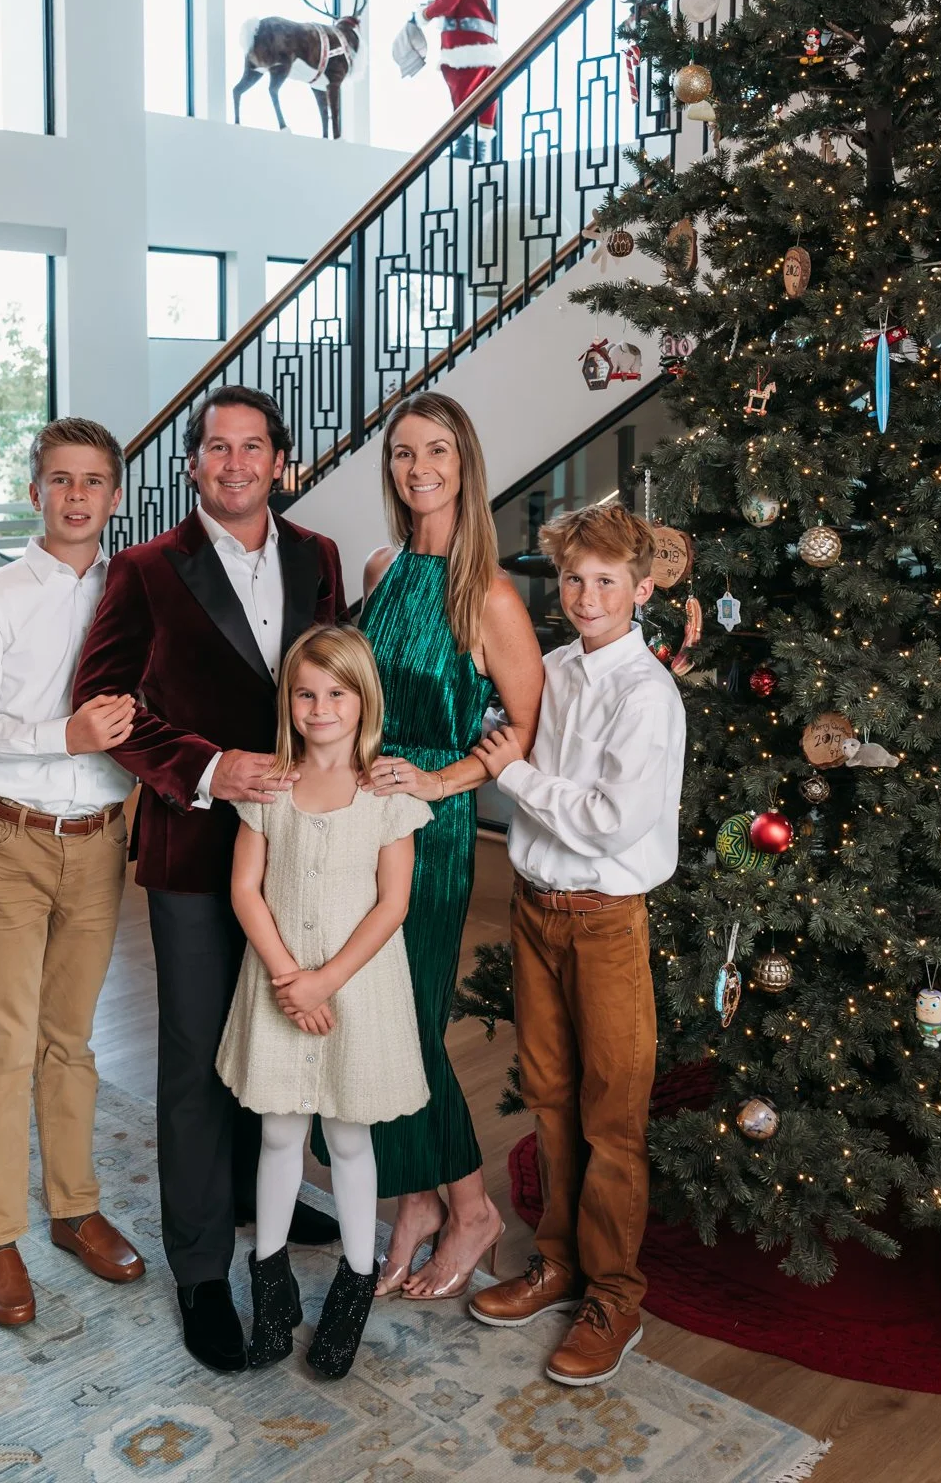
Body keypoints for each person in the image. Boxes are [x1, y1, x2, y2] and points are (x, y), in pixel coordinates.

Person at [72, 385, 345, 1374]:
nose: (234, 462)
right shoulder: (146, 569)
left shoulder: (317, 556)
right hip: (194, 847)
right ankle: (198, 1268)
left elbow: (336, 688)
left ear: (280, 461)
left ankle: (250, 1187)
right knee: (193, 1055)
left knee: (278, 1026)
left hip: (299, 847)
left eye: (253, 447)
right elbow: (99, 700)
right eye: (215, 447)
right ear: (191, 465)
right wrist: (204, 767)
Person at [468, 503, 684, 1386]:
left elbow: (605, 824)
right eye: (572, 580)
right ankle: (557, 1263)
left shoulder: (647, 696)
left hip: (603, 920)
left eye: (605, 582)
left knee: (612, 1114)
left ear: (639, 590)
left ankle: (614, 1295)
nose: (586, 596)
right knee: (549, 1096)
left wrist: (509, 773)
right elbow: (499, 714)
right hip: (532, 908)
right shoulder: (550, 668)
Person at [0, 416, 145, 1329]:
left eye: (94, 481)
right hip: (10, 845)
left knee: (69, 1038)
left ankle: (73, 1207)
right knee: (1, 1043)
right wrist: (58, 737)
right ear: (36, 492)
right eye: (60, 480)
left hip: (101, 842)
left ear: (114, 495)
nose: (76, 496)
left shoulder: (137, 595)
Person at [357, 392, 544, 1299]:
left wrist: (436, 781)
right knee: (368, 1024)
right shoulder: (384, 566)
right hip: (356, 822)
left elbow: (527, 731)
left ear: (464, 464)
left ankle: (469, 1205)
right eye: (401, 453)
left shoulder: (490, 595)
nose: (417, 467)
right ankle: (417, 1201)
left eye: (435, 450)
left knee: (408, 1027)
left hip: (428, 836)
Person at [218, 625, 434, 1380]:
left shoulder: (384, 795)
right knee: (279, 1134)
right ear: (289, 702)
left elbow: (392, 904)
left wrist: (324, 981)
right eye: (305, 694)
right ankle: (271, 1288)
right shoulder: (270, 787)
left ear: (361, 700)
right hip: (279, 983)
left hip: (357, 992)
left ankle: (351, 1288)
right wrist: (288, 977)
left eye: (335, 693)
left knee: (347, 1139)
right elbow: (245, 887)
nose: (319, 707)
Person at [419, 0, 501, 160]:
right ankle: (478, 150)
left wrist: (425, 14)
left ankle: (465, 149)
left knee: (463, 94)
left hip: (463, 49)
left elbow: (447, 2)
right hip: (480, 47)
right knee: (481, 96)